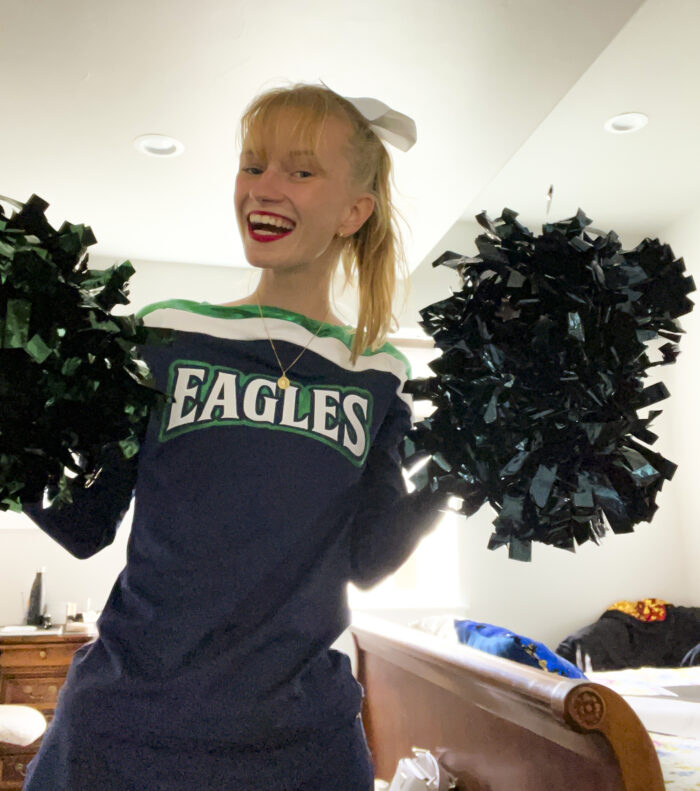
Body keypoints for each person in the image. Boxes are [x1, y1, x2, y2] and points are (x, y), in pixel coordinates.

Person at [21, 82, 453, 790]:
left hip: (301, 749)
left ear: (355, 211)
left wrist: (460, 470)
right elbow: (85, 523)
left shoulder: (377, 374)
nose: (264, 188)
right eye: (252, 165)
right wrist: (20, 431)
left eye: (300, 170)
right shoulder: (167, 334)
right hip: (124, 735)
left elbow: (370, 560)